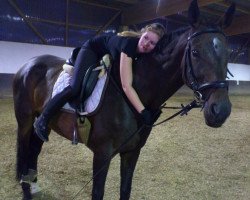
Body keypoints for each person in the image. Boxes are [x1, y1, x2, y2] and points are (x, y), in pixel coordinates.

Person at [34, 23, 166, 142]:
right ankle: (43, 120)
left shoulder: (144, 53)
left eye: (152, 43)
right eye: (146, 38)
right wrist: (143, 112)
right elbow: (126, 86)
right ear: (141, 35)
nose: (146, 44)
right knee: (75, 88)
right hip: (92, 50)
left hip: (105, 53)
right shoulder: (129, 46)